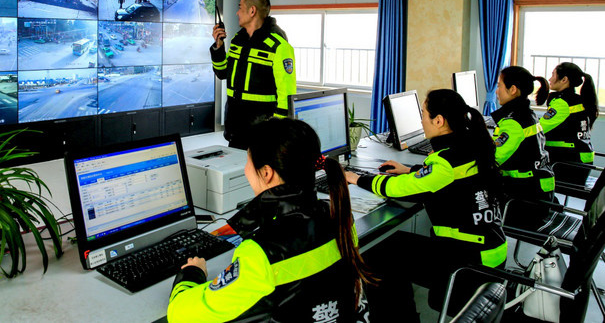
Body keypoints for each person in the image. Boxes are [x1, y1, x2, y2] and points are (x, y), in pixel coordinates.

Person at [168, 118, 371, 322]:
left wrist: (192, 274)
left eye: (247, 162)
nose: (246, 169)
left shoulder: (262, 253)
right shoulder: (340, 215)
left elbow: (180, 314)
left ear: (266, 173)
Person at [345, 89, 507, 321]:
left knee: (376, 255)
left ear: (439, 121)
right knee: (393, 246)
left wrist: (355, 178)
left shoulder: (444, 162)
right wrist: (412, 171)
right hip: (489, 248)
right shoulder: (471, 145)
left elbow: (395, 189)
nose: (420, 118)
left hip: (468, 261)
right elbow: (449, 178)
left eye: (423, 113)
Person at [210, 0, 296, 149]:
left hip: (262, 136)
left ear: (252, 11)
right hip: (236, 132)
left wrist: (277, 134)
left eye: (240, 7)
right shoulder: (238, 40)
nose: (237, 12)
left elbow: (287, 94)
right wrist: (218, 48)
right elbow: (222, 73)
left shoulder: (279, 46)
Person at [491, 66, 554, 227]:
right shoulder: (527, 113)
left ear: (512, 89)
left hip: (525, 201)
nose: (496, 91)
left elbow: (492, 158)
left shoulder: (514, 122)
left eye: (499, 86)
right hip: (538, 192)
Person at [541, 62, 598, 186]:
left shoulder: (562, 103)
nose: (550, 79)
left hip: (567, 165)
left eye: (553, 75)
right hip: (581, 163)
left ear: (564, 79)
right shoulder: (578, 100)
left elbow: (539, 130)